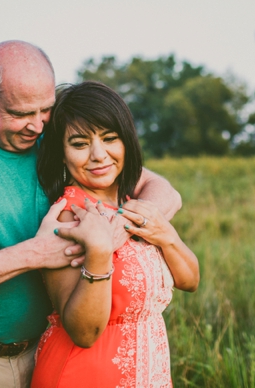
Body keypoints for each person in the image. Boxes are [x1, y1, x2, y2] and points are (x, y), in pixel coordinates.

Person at [0, 41, 182, 388]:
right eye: (21, 113)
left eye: (45, 110)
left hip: (42, 355)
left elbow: (161, 189)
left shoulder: (56, 140)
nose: (37, 125)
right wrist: (35, 253)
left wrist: (117, 228)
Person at [30, 81, 199, 388]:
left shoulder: (133, 205)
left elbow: (190, 281)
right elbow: (84, 333)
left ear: (127, 141)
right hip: (84, 375)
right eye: (80, 144)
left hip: (149, 373)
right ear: (62, 153)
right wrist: (99, 253)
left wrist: (165, 234)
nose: (98, 155)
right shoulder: (69, 216)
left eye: (110, 138)